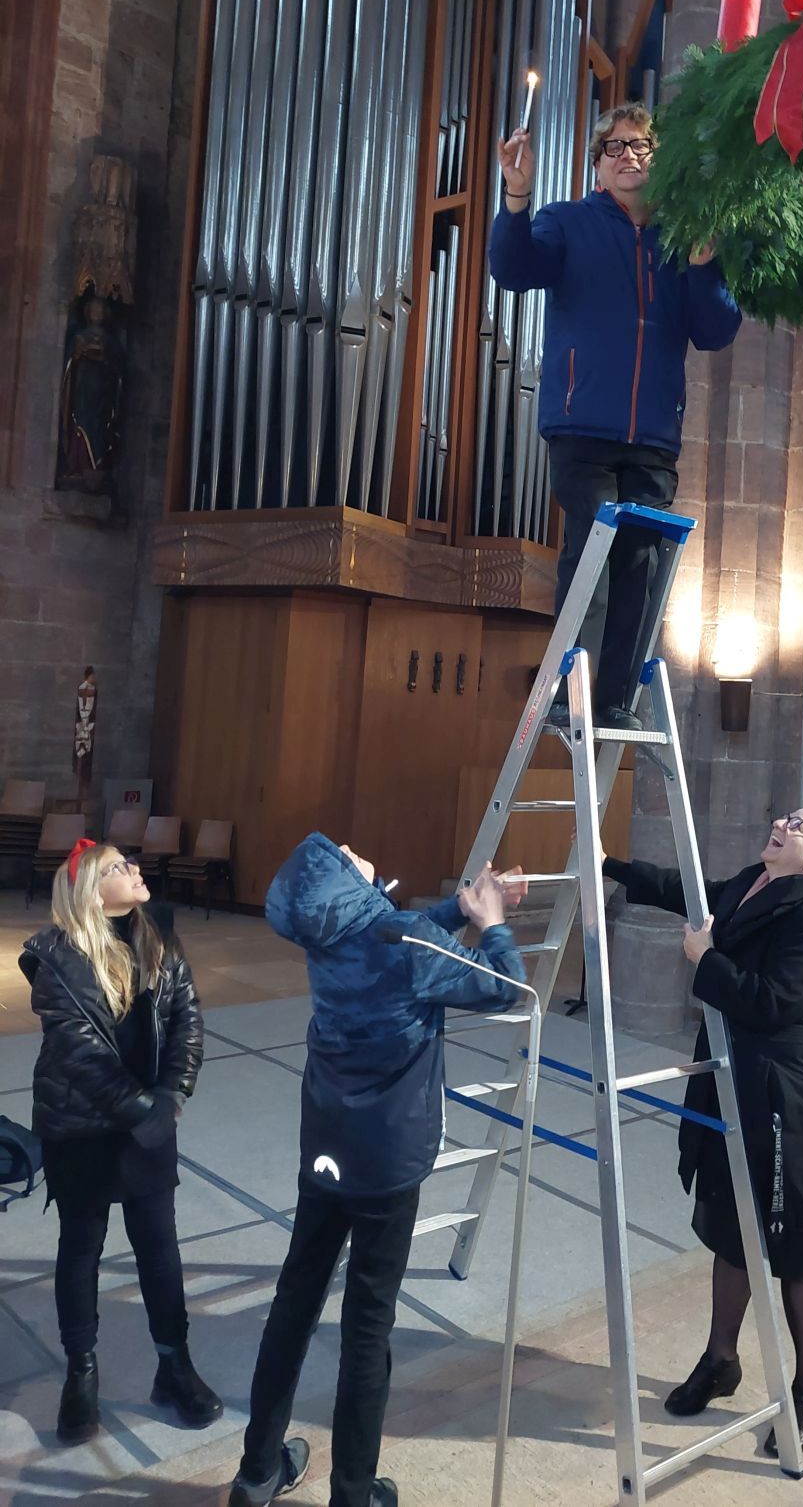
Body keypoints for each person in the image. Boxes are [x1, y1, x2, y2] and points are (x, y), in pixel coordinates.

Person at [228, 835, 527, 1507]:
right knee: (367, 1328)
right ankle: (353, 1492)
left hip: (326, 1146)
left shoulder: (328, 934)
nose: (353, 848)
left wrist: (458, 909)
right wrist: (492, 923)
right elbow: (504, 987)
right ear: (339, 883)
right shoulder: (406, 941)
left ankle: (256, 1472)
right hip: (387, 1160)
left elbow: (393, 935)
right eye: (341, 851)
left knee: (294, 1304)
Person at [604, 805, 803, 1454]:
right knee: (730, 1224)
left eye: (799, 825)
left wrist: (706, 959)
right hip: (730, 1075)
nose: (783, 822)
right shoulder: (753, 881)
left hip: (781, 1097)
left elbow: (773, 1002)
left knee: (790, 1246)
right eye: (786, 816)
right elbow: (688, 890)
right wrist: (608, 866)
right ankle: (721, 1360)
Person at [489, 101, 742, 729]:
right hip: (584, 426)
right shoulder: (568, 222)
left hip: (653, 435)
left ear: (659, 160)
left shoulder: (684, 238)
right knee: (592, 551)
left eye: (641, 146)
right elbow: (512, 269)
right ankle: (565, 692)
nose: (628, 156)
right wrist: (516, 198)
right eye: (615, 147)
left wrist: (706, 265)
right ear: (598, 164)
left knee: (640, 566)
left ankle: (616, 702)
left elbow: (715, 330)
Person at [20, 838, 221, 1445]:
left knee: (159, 1247)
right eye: (117, 867)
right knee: (81, 1247)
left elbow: (187, 1019)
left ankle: (174, 1367)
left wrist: (173, 1096)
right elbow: (80, 1055)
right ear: (89, 890)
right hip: (82, 1125)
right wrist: (144, 1113)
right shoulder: (56, 958)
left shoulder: (158, 937)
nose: (134, 868)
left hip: (147, 1119)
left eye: (129, 862)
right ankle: (81, 1374)